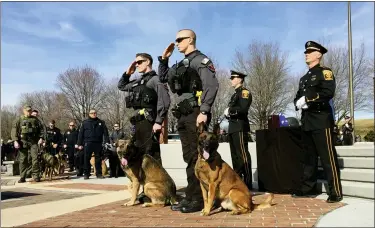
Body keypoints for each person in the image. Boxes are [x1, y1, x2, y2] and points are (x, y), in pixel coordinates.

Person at [158, 29, 219, 213]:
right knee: (189, 157)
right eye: (176, 40)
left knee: (196, 156)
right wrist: (164, 59)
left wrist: (205, 109)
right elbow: (163, 78)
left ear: (190, 39)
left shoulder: (201, 60)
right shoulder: (179, 65)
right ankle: (192, 197)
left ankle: (200, 199)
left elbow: (211, 85)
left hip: (195, 113)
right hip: (183, 115)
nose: (176, 43)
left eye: (180, 39)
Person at [293, 41, 343, 203]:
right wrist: (298, 102)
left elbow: (328, 92)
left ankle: (335, 191)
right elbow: (297, 97)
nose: (306, 54)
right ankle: (308, 188)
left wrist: (308, 100)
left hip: (321, 120)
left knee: (328, 157)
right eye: (305, 52)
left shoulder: (325, 72)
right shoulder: (304, 78)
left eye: (309, 51)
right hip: (307, 121)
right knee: (308, 158)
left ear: (318, 55)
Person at [118, 53, 170, 166]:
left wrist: (158, 121)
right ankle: (145, 183)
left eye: (140, 62)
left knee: (151, 155)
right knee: (139, 154)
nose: (137, 65)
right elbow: (121, 86)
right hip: (137, 123)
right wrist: (127, 74)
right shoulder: (138, 81)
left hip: (149, 121)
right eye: (135, 63)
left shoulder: (155, 80)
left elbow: (164, 100)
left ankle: (157, 183)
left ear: (148, 62)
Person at [223, 70, 253, 190]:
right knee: (235, 156)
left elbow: (243, 109)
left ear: (240, 79)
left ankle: (247, 182)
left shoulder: (244, 92)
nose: (231, 80)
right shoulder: (235, 94)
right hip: (233, 127)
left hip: (240, 126)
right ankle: (238, 181)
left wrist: (230, 111)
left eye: (233, 78)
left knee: (243, 155)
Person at [11, 105, 44, 183]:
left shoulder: (36, 120)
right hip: (23, 142)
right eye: (27, 110)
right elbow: (14, 130)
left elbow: (41, 130)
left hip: (33, 142)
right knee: (23, 160)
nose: (29, 112)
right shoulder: (19, 119)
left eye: (30, 110)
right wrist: (15, 141)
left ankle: (36, 176)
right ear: (24, 111)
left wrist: (41, 138)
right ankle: (22, 177)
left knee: (35, 159)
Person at [77, 109, 109, 179]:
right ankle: (86, 174)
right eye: (92, 113)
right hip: (88, 143)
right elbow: (80, 134)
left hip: (98, 143)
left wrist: (107, 142)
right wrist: (79, 144)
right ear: (89, 114)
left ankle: (99, 174)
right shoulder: (85, 123)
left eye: (95, 113)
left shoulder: (101, 122)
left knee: (98, 159)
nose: (94, 114)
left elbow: (106, 133)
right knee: (86, 159)